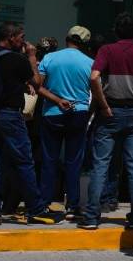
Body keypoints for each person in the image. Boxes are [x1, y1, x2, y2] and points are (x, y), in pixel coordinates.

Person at [86, 12, 133, 229]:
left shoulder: (106, 50)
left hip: (110, 112)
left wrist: (103, 105)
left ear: (115, 31)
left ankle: (91, 216)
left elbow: (94, 77)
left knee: (101, 164)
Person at [0, 22, 46, 224]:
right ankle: (36, 208)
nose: (24, 41)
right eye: (21, 37)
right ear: (11, 37)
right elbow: (37, 82)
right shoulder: (17, 59)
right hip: (9, 116)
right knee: (24, 161)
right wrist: (32, 57)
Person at [36, 26, 93, 223]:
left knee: (49, 160)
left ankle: (44, 202)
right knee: (74, 162)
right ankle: (72, 206)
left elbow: (38, 86)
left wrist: (57, 100)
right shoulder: (90, 63)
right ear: (84, 44)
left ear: (67, 38)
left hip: (52, 113)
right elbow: (95, 90)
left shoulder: (49, 58)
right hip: (79, 113)